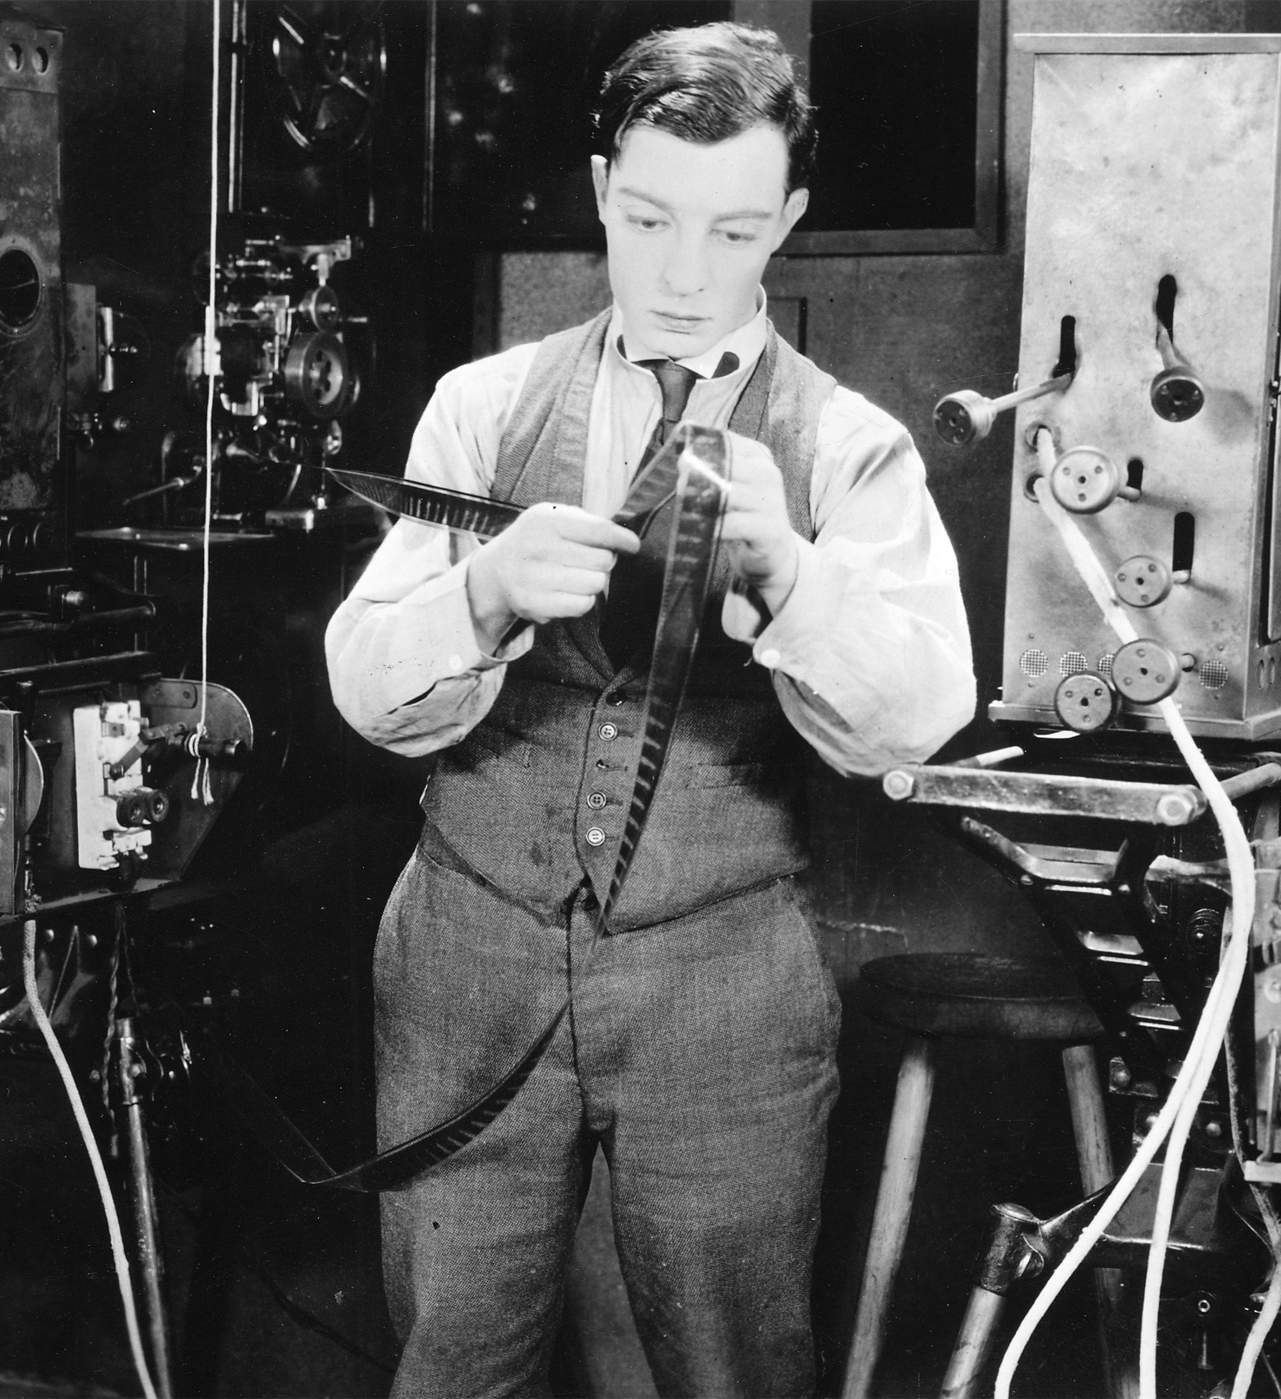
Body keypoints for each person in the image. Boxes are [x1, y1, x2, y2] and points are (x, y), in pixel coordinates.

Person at [325, 21, 975, 1396]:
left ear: (787, 219)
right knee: (449, 1360)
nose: (685, 274)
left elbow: (919, 717)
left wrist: (791, 577)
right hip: (466, 957)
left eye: (733, 232)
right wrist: (483, 593)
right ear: (600, 189)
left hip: (720, 983)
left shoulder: (849, 446)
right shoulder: (483, 408)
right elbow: (369, 687)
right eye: (647, 219)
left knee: (732, 1369)